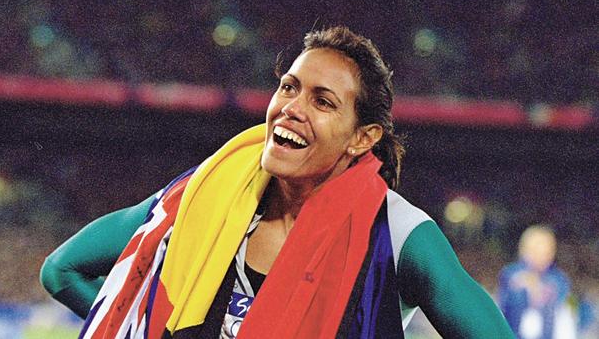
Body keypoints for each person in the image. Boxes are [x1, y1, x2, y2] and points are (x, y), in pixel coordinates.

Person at [41, 26, 513, 338]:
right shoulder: (204, 197)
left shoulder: (400, 234)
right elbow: (60, 271)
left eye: (323, 102)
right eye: (289, 87)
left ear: (362, 137)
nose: (293, 107)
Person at [499, 225, 574, 339]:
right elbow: (508, 306)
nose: (542, 255)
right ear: (525, 249)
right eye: (536, 249)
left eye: (548, 250)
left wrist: (538, 289)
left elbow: (561, 307)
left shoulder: (559, 278)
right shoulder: (511, 273)